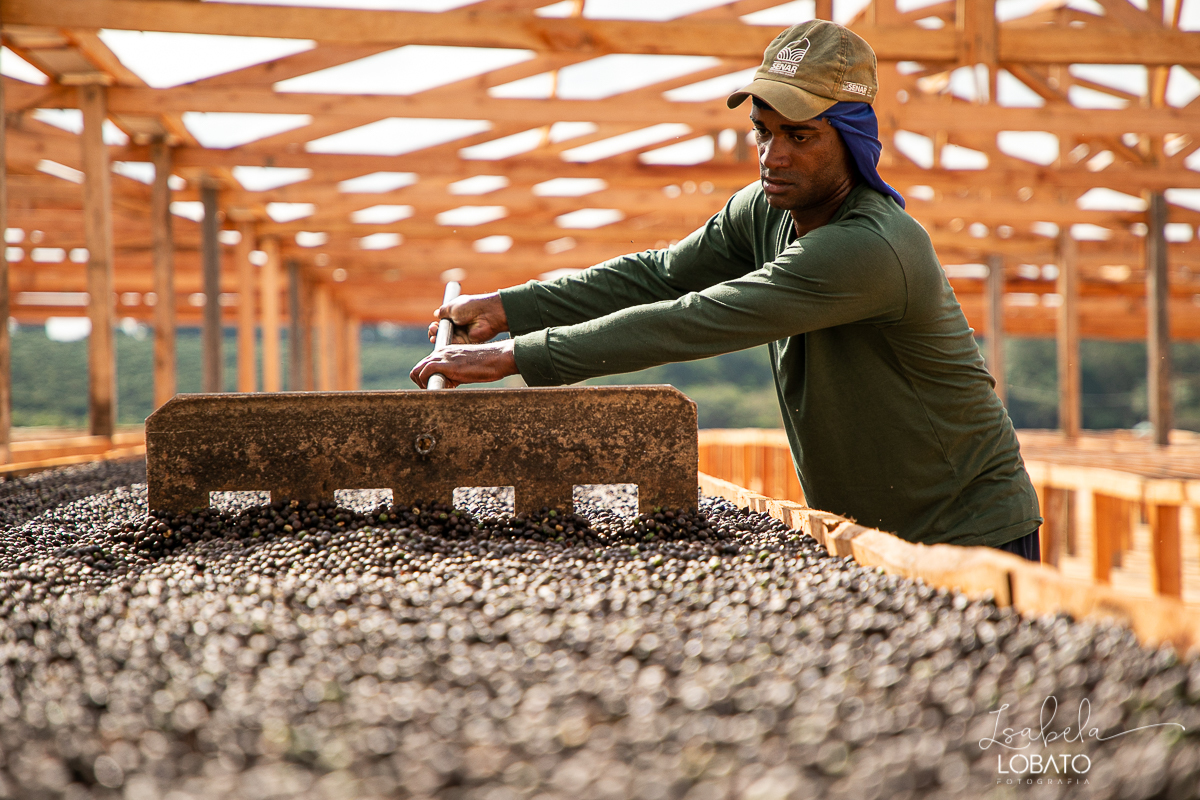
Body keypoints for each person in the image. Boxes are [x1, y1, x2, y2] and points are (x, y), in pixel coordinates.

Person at [410, 20, 1043, 559]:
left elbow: (696, 318)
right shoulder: (765, 210)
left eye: (801, 137)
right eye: (763, 132)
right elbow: (658, 274)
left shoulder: (869, 247)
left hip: (970, 529)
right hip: (867, 533)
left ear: (853, 139)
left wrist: (518, 355)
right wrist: (508, 308)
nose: (774, 157)